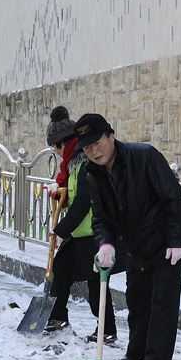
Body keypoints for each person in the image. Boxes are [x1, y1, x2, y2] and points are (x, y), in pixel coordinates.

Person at [81, 113, 181, 360]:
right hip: (135, 245)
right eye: (87, 147)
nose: (94, 151)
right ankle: (136, 353)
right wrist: (105, 243)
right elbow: (100, 217)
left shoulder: (144, 157)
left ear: (111, 136)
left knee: (162, 304)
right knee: (137, 300)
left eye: (97, 142)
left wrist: (177, 238)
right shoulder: (93, 174)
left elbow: (172, 197)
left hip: (166, 243)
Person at [44, 108, 119, 343]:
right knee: (61, 269)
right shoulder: (74, 165)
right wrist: (60, 194)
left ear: (63, 143)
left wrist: (60, 229)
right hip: (79, 233)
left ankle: (107, 329)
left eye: (56, 148)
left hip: (92, 233)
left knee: (96, 283)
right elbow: (73, 195)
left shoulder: (86, 164)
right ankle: (57, 316)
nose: (57, 153)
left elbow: (83, 203)